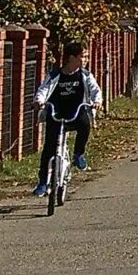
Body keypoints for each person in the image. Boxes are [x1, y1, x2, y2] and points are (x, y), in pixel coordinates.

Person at [32, 41, 102, 196]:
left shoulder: (84, 75)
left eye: (86, 56)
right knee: (49, 148)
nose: (86, 59)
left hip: (76, 111)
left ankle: (79, 154)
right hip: (56, 113)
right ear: (71, 58)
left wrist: (97, 101)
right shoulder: (55, 74)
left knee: (85, 124)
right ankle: (43, 182)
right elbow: (43, 89)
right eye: (83, 56)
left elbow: (95, 89)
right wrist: (39, 101)